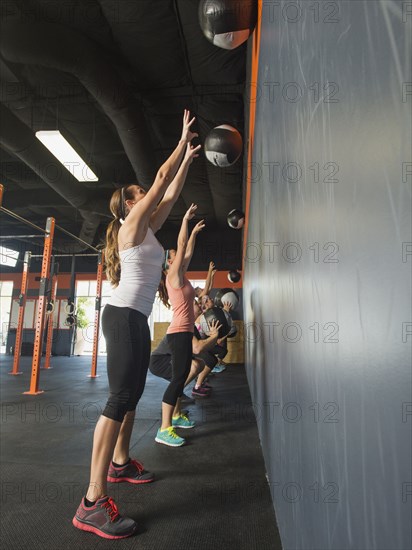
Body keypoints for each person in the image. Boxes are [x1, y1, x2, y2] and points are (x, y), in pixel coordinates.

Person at [72, 110, 201, 540]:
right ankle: (91, 502)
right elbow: (162, 177)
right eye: (139, 192)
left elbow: (171, 187)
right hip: (124, 317)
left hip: (137, 319)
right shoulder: (130, 225)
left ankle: (121, 463)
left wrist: (188, 161)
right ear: (129, 203)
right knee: (120, 398)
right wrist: (180, 143)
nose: (146, 193)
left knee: (131, 398)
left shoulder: (148, 228)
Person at [155, 204, 205, 447]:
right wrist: (185, 219)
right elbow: (182, 245)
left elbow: (188, 250)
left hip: (184, 333)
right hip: (177, 334)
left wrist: (194, 234)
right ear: (169, 262)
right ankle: (164, 429)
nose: (179, 254)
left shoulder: (181, 275)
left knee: (181, 375)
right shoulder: (172, 277)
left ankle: (175, 415)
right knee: (177, 379)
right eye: (174, 253)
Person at [149, 300, 221, 411]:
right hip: (160, 361)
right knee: (194, 366)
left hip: (171, 358)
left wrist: (214, 337)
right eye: (196, 303)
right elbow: (197, 348)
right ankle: (174, 406)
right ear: (188, 309)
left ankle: (178, 394)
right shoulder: (184, 323)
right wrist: (214, 337)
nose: (200, 305)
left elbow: (203, 346)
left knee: (199, 363)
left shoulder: (192, 325)